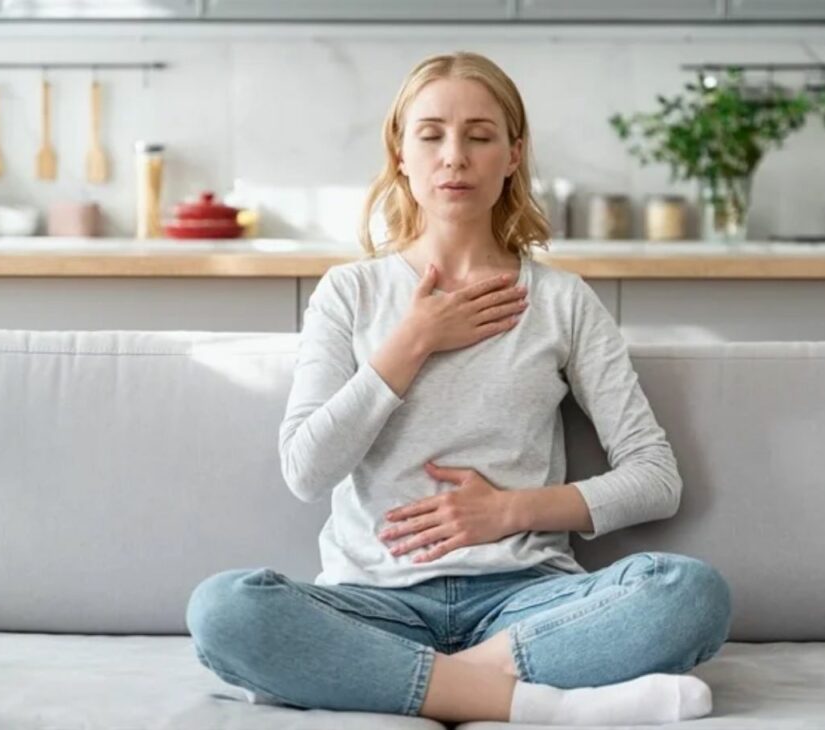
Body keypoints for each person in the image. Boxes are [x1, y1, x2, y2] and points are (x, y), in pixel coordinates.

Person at [186, 50, 732, 726]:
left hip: (525, 604)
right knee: (223, 610)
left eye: (480, 136)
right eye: (432, 134)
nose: (455, 156)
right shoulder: (349, 294)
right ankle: (547, 707)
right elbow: (307, 469)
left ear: (512, 155)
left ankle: (386, 681)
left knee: (691, 594)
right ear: (401, 151)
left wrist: (511, 511)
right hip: (376, 603)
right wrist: (412, 341)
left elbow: (656, 477)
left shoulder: (561, 301)